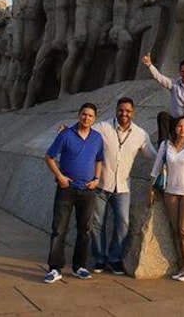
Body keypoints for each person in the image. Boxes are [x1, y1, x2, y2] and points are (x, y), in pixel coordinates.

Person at [90, 97, 156, 275]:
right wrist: (68, 131)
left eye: (127, 111)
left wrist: (171, 154)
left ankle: (114, 258)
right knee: (97, 223)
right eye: (121, 110)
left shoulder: (140, 134)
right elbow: (85, 131)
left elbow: (152, 154)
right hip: (101, 184)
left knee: (123, 223)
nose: (124, 114)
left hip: (123, 187)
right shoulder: (103, 127)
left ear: (133, 112)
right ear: (116, 110)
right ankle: (99, 258)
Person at [43, 103, 104, 283]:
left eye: (90, 116)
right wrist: (60, 176)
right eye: (84, 114)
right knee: (59, 229)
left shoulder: (97, 138)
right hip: (66, 189)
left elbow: (99, 160)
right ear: (79, 115)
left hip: (87, 190)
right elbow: (49, 157)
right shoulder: (66, 135)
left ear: (95, 119)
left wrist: (97, 179)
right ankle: (55, 268)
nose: (87, 118)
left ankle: (79, 267)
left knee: (84, 230)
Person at [149, 116, 184, 282]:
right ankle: (183, 266)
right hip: (170, 192)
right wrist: (151, 188)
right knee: (175, 230)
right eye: (180, 126)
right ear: (175, 128)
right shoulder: (166, 145)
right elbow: (156, 167)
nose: (183, 129)